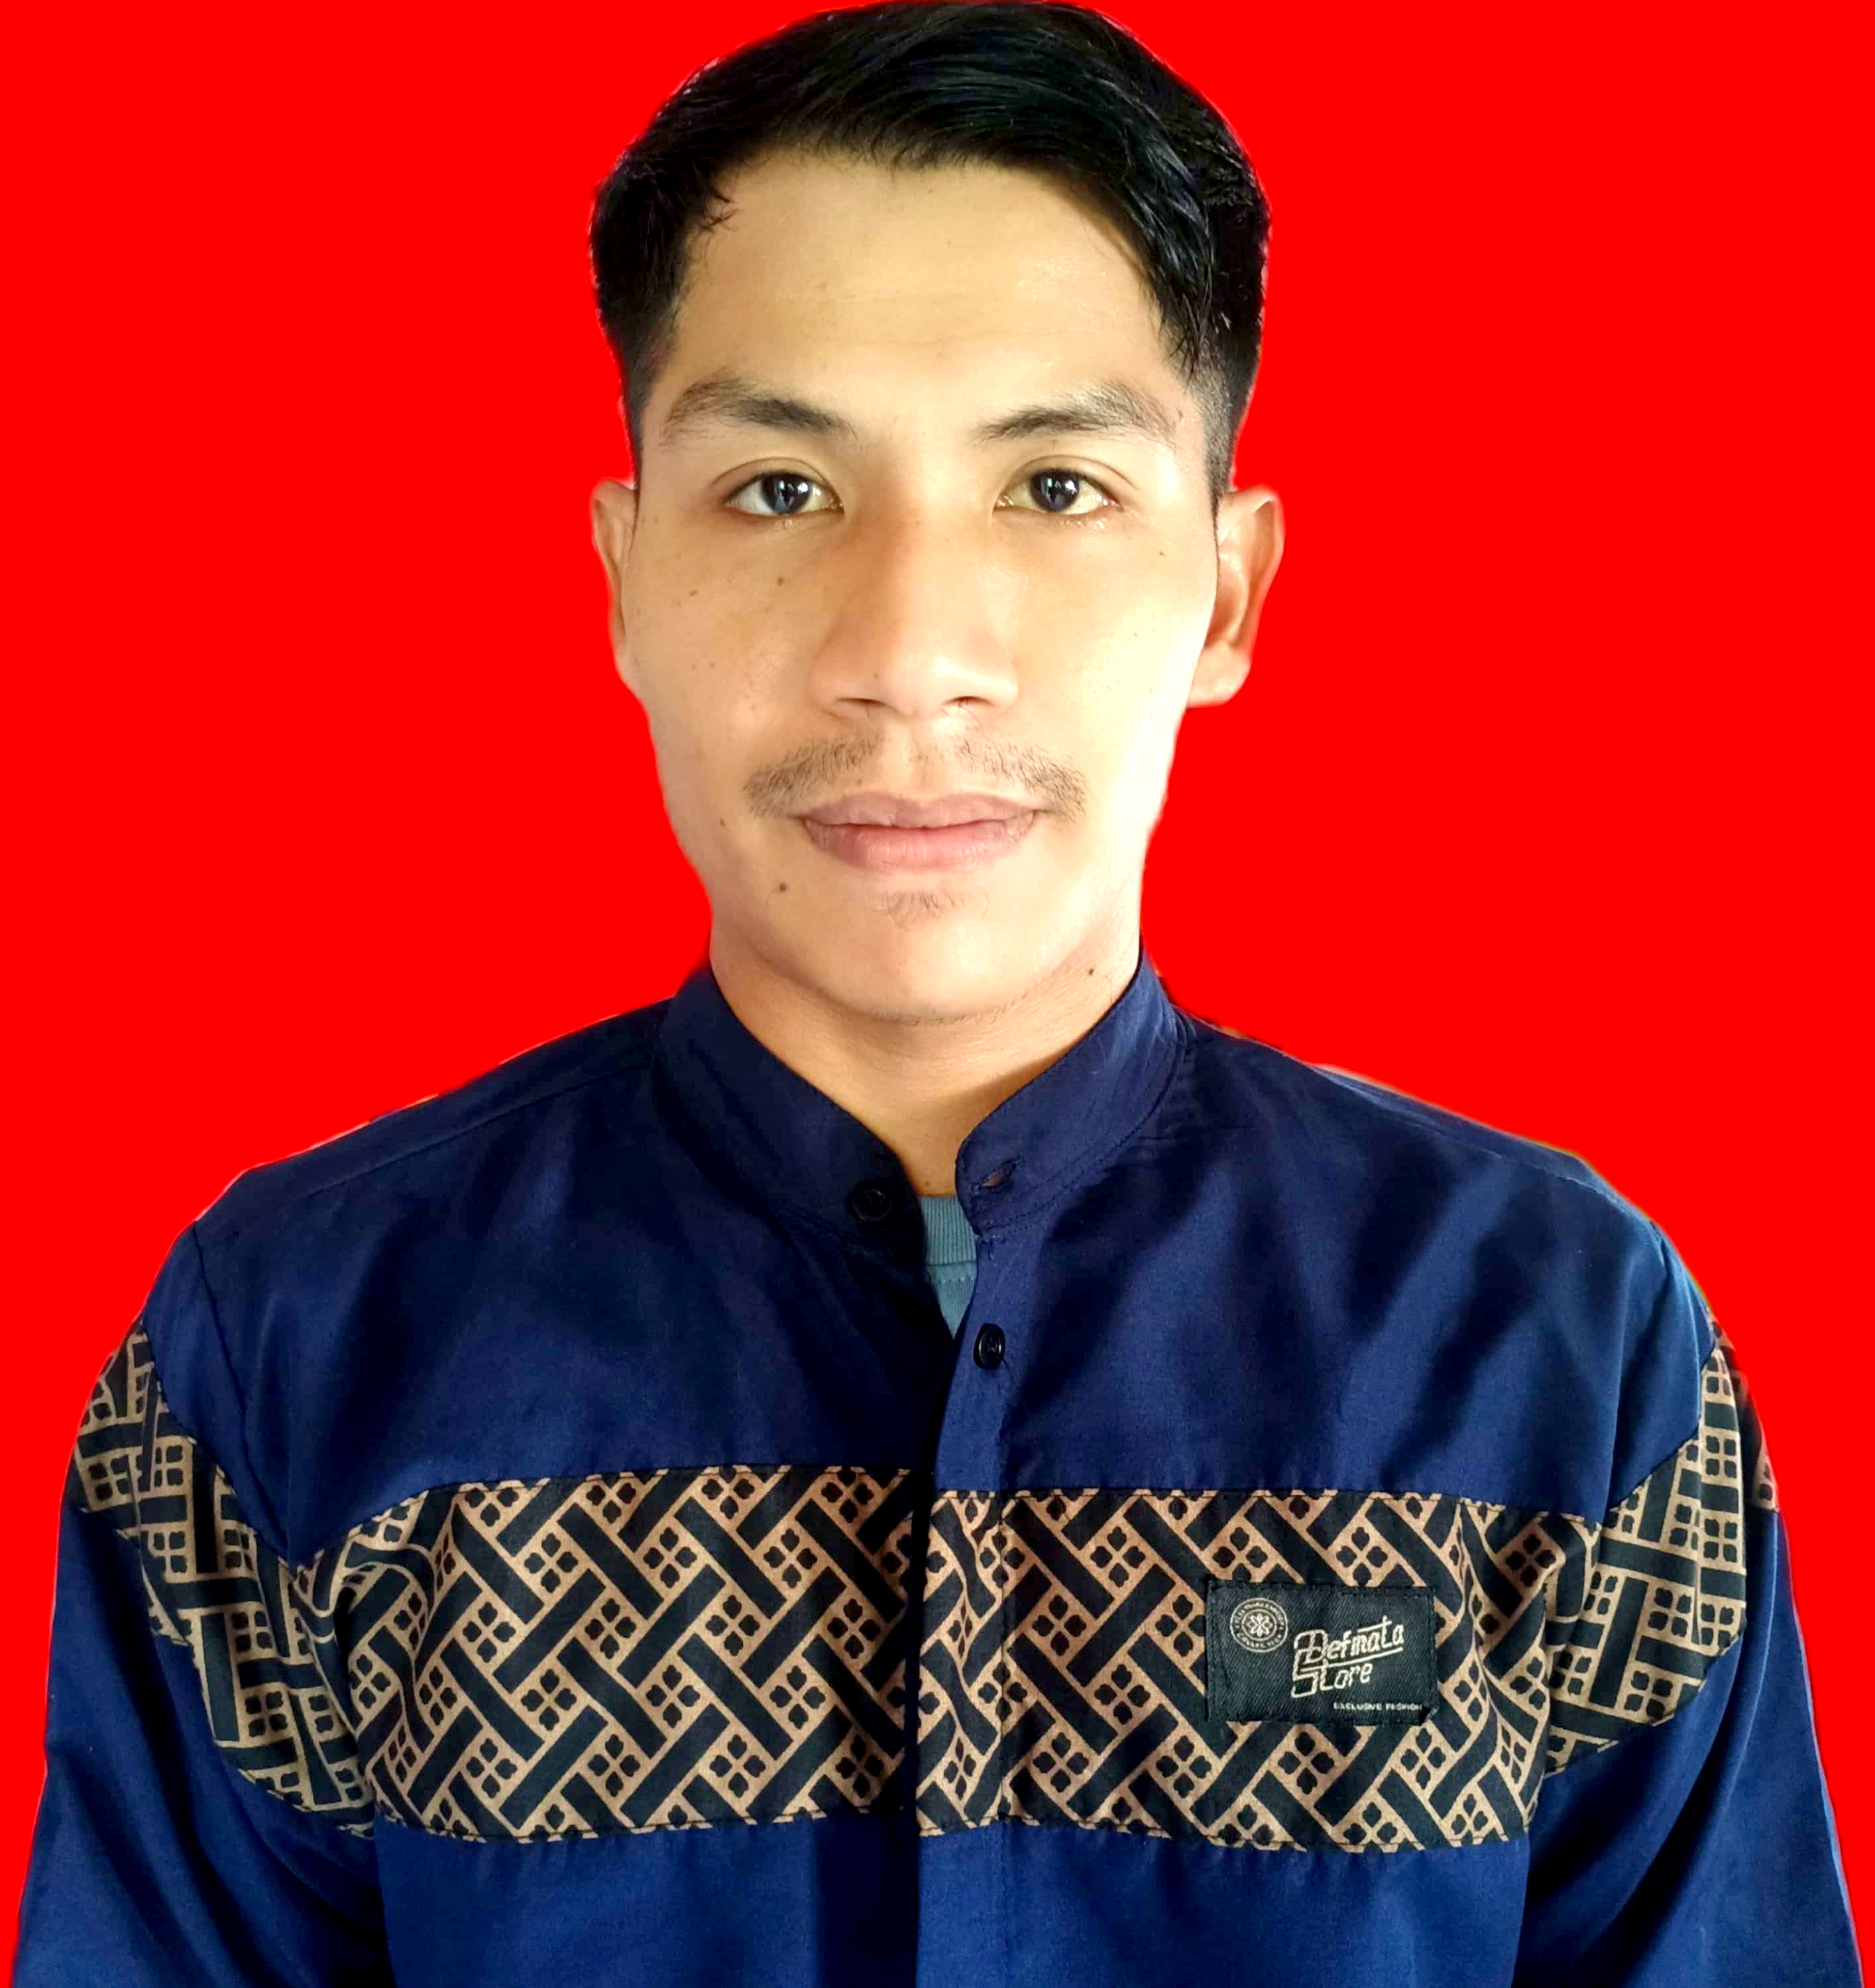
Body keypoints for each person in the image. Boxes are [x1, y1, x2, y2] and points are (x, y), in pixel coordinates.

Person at [12, 2, 1860, 1982]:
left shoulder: (1556, 1341)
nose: (908, 653)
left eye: (1054, 487)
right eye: (780, 490)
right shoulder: (288, 1342)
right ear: (623, 576)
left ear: (1229, 591)